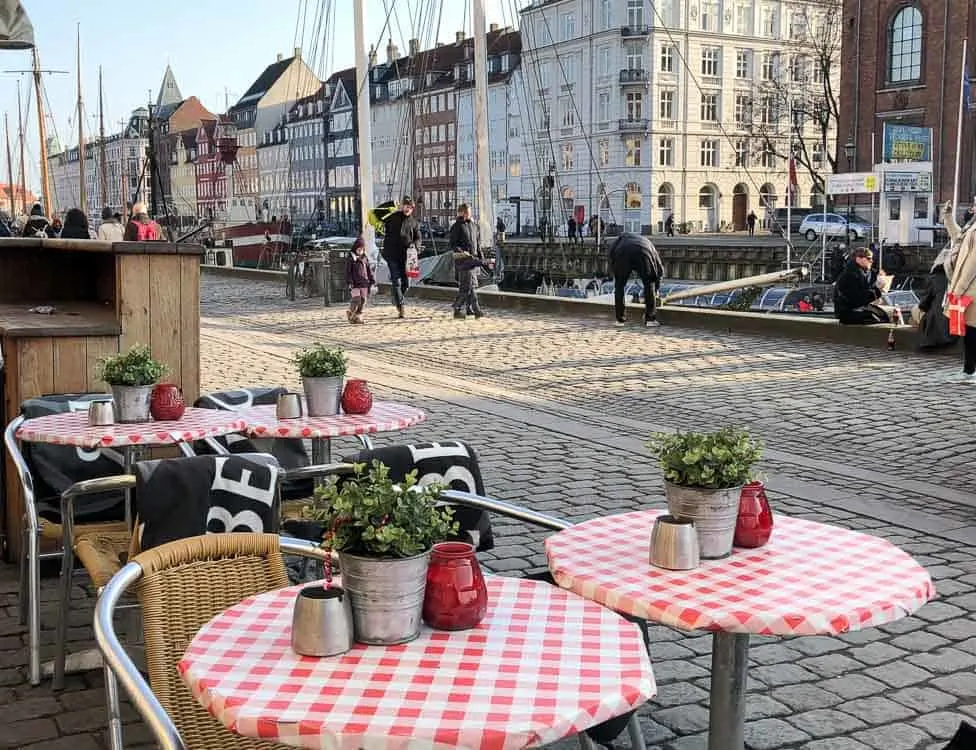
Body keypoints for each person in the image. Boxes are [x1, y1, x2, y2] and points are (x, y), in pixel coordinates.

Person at [608, 232, 664, 328]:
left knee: (619, 286)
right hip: (643, 252)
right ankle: (650, 319)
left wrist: (614, 273)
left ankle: (620, 320)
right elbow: (659, 270)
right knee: (649, 283)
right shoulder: (647, 242)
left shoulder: (619, 241)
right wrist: (656, 289)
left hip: (622, 253)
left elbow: (611, 256)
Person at [380, 196, 420, 319]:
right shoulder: (392, 217)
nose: (408, 209)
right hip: (391, 254)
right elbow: (379, 212)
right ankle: (401, 305)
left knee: (406, 283)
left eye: (410, 207)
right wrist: (391, 203)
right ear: (402, 206)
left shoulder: (414, 222)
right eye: (406, 206)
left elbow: (418, 238)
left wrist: (415, 246)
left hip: (406, 257)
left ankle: (396, 298)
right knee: (396, 281)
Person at [946, 221, 976, 382]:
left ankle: (970, 369)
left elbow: (972, 264)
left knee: (972, 332)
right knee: (969, 331)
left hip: (971, 289)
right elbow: (958, 238)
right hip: (969, 288)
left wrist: (959, 289)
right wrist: (948, 219)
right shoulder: (971, 227)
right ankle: (969, 368)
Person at [449, 203, 490, 319]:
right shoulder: (457, 226)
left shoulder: (474, 226)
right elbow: (453, 244)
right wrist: (461, 251)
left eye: (469, 212)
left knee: (471, 286)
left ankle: (469, 309)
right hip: (463, 261)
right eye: (466, 212)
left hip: (474, 260)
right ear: (460, 213)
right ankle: (464, 309)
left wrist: (481, 259)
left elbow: (477, 244)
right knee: (466, 287)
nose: (468, 214)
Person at [916, 244, 958, 351]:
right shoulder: (958, 278)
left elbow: (924, 304)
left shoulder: (935, 278)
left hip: (939, 323)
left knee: (915, 312)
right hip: (956, 323)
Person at [833, 247, 890, 324]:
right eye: (868, 258)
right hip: (848, 312)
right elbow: (856, 299)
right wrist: (877, 291)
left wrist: (878, 284)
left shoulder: (863, 273)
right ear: (858, 259)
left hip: (856, 309)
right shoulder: (850, 275)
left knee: (886, 315)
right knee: (878, 318)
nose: (871, 261)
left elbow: (866, 292)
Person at [345, 234, 375, 325]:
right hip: (355, 283)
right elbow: (348, 272)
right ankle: (351, 312)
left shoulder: (365, 258)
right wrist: (349, 281)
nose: (360, 251)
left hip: (364, 283)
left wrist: (372, 280)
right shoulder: (351, 259)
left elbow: (369, 270)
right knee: (356, 299)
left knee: (363, 300)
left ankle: (358, 315)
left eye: (362, 250)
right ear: (355, 249)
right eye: (359, 249)